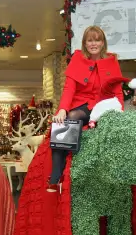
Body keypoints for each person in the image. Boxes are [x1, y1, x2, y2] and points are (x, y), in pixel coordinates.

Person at [48, 25, 126, 192]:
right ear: (84, 43)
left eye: (97, 40)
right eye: (90, 40)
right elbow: (69, 88)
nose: (94, 44)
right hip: (82, 105)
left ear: (103, 42)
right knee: (66, 122)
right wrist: (62, 109)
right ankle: (56, 177)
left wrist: (120, 112)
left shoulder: (112, 61)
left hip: (104, 107)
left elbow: (117, 91)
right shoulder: (77, 59)